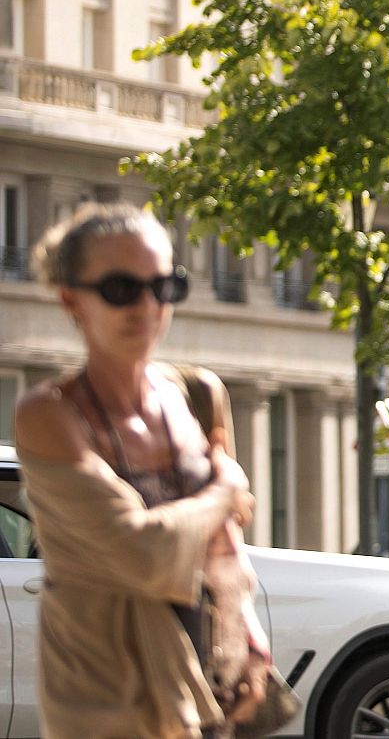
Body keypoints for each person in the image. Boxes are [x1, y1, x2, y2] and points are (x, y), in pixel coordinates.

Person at [12, 203, 269, 738]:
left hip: (204, 677)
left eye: (164, 286)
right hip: (103, 694)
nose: (148, 306)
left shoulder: (194, 394)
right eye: (121, 289)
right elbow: (141, 552)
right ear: (71, 299)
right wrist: (224, 490)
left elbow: (224, 542)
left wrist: (247, 632)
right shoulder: (48, 414)